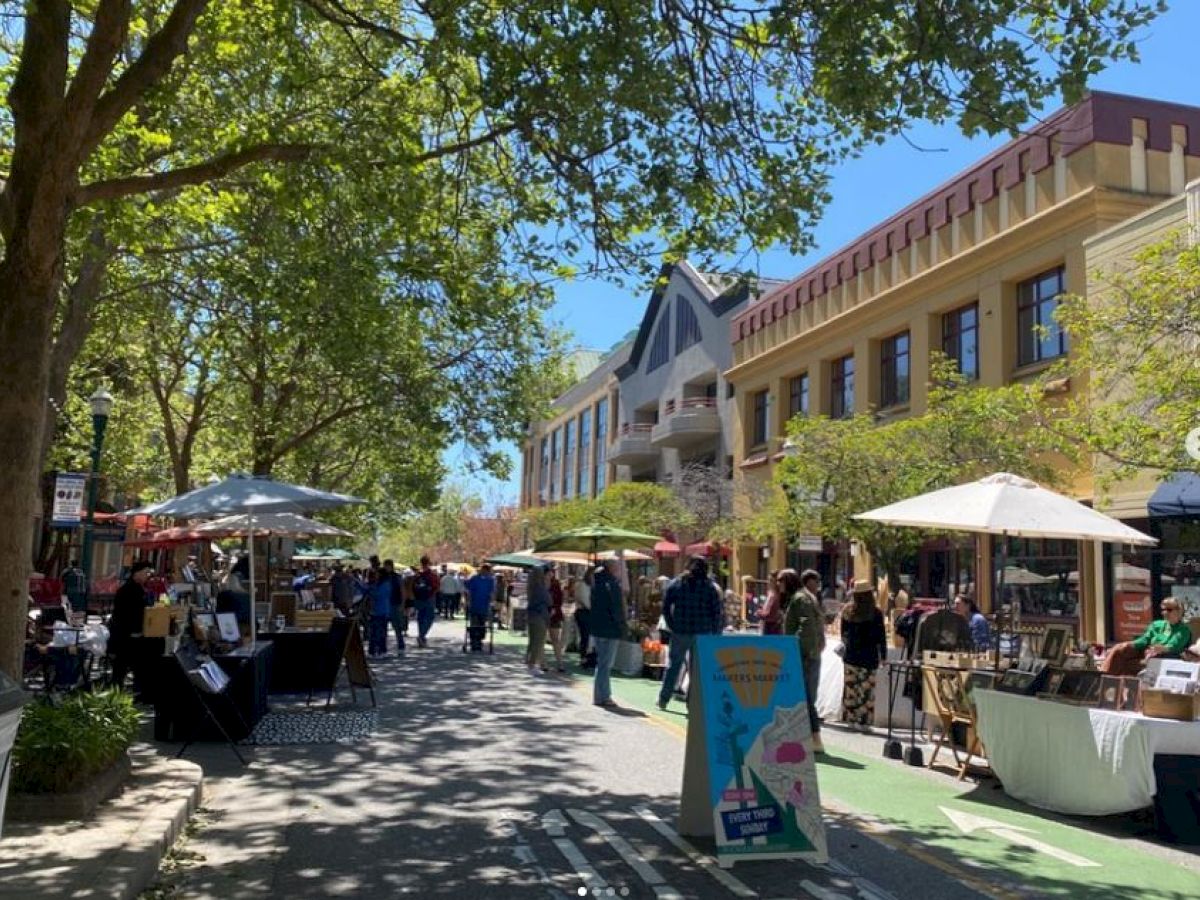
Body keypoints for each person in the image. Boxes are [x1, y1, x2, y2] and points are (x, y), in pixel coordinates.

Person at [657, 555, 723, 711]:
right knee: (697, 670)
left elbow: (666, 607)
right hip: (703, 633)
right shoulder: (709, 587)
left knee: (673, 666)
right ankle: (691, 703)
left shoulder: (677, 583)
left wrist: (672, 624)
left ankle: (663, 699)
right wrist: (715, 632)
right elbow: (716, 612)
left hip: (681, 630)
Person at [784, 568, 826, 752]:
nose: (778, 585)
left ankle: (815, 738)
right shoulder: (805, 598)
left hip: (804, 656)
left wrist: (797, 650)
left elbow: (806, 628)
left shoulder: (800, 599)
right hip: (810, 654)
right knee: (803, 697)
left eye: (780, 581)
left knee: (805, 698)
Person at [1101, 598, 1194, 676]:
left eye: (1169, 610)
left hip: (1166, 657)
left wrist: (1161, 649)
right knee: (1119, 650)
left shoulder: (1183, 629)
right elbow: (1144, 640)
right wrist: (1128, 645)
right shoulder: (1157, 625)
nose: (1165, 613)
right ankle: (1102, 680)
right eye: (1163, 610)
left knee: (1129, 662)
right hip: (1147, 653)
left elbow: (1175, 646)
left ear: (1179, 611)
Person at [840, 581, 887, 732]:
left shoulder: (847, 611)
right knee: (867, 689)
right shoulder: (876, 613)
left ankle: (851, 718)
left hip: (852, 654)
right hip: (870, 655)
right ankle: (865, 721)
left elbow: (843, 634)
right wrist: (884, 655)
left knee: (851, 687)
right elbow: (881, 637)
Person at [108, 560, 154, 690]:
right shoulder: (127, 590)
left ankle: (134, 693)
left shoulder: (140, 589)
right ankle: (116, 695)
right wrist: (133, 630)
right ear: (137, 573)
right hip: (125, 635)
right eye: (146, 573)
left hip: (134, 634)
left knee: (136, 668)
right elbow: (124, 614)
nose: (148, 576)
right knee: (121, 668)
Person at [590, 559, 627, 708]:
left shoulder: (596, 583)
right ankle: (603, 696)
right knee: (605, 664)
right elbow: (617, 609)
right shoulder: (612, 585)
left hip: (598, 627)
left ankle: (601, 694)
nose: (619, 569)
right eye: (617, 566)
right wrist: (623, 626)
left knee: (602, 662)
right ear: (611, 568)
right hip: (610, 629)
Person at [525, 566, 551, 674]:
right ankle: (532, 665)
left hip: (532, 616)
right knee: (538, 641)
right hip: (540, 616)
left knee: (532, 640)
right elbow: (549, 601)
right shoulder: (540, 588)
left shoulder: (531, 587)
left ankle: (529, 661)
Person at [465, 565, 496, 651]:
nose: (485, 572)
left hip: (484, 607)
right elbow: (467, 588)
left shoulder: (490, 580)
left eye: (487, 571)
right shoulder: (474, 579)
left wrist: (492, 602)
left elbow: (492, 592)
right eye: (484, 570)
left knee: (482, 625)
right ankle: (474, 642)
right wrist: (468, 601)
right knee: (474, 625)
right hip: (474, 606)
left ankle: (479, 641)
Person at [410, 556, 440, 648]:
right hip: (429, 598)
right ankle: (421, 636)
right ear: (429, 562)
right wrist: (432, 594)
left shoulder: (418, 575)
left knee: (421, 618)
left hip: (419, 598)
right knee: (429, 618)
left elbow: (412, 586)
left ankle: (421, 637)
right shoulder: (432, 574)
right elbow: (437, 586)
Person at [366, 569, 392, 657]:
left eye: (377, 574)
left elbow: (377, 594)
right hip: (375, 611)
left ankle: (381, 650)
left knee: (381, 632)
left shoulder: (385, 585)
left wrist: (370, 590)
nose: (375, 576)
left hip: (382, 611)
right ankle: (372, 650)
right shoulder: (376, 585)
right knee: (373, 632)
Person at [382, 560, 406, 653]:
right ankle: (383, 647)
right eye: (385, 566)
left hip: (395, 604)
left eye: (387, 566)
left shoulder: (397, 577)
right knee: (383, 626)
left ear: (391, 566)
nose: (386, 568)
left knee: (397, 626)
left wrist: (402, 604)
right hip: (385, 604)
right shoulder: (383, 577)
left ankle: (401, 644)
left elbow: (402, 590)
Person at [548, 569, 567, 672]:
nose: (550, 575)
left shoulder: (556, 585)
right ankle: (542, 663)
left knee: (556, 639)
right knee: (540, 639)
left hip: (555, 615)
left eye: (551, 572)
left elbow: (560, 599)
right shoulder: (540, 584)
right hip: (542, 614)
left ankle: (560, 663)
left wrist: (555, 608)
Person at [574, 570, 593, 666]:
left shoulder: (590, 586)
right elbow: (585, 601)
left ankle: (587, 656)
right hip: (583, 612)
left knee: (587, 636)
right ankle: (583, 657)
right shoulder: (582, 585)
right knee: (585, 635)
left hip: (588, 613)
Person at [759, 570, 784, 635]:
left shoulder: (777, 595)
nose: (769, 582)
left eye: (772, 581)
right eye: (769, 580)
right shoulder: (770, 593)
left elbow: (772, 613)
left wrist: (761, 614)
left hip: (772, 627)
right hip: (767, 625)